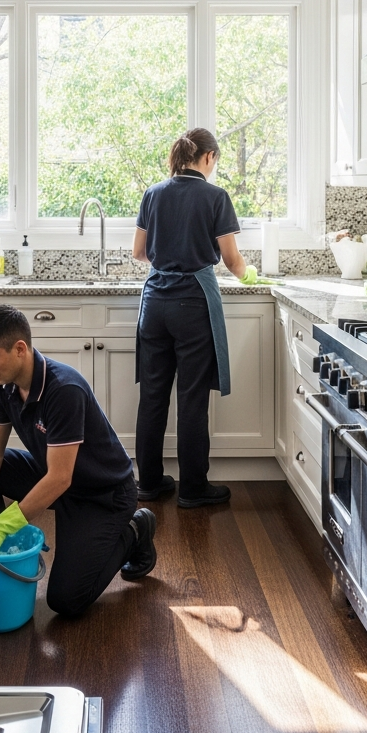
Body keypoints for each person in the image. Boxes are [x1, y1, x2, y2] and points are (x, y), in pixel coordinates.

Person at [0, 305, 158, 618]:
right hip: (53, 473)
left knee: (66, 600)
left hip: (101, 494)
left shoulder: (63, 389)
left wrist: (3, 526)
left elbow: (60, 479)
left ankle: (136, 529)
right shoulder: (3, 384)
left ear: (19, 349)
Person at [132, 127, 260, 508]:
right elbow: (232, 259)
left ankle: (149, 483)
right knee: (191, 399)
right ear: (208, 158)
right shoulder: (215, 196)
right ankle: (192, 488)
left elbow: (139, 252)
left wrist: (168, 259)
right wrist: (250, 274)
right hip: (192, 304)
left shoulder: (152, 193)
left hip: (154, 303)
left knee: (152, 396)